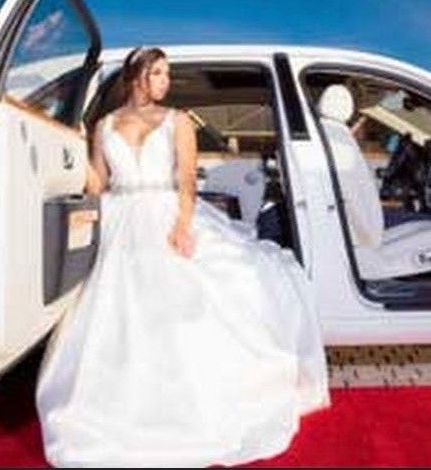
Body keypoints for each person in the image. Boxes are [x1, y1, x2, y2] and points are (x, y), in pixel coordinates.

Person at [35, 45, 330, 467]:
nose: (166, 82)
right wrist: (69, 149)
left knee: (182, 307)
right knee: (117, 315)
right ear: (137, 77)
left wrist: (182, 225)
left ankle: (185, 401)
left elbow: (187, 179)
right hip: (118, 219)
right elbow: (98, 183)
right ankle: (123, 403)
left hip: (165, 212)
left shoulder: (177, 121)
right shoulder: (103, 125)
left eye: (167, 74)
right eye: (158, 73)